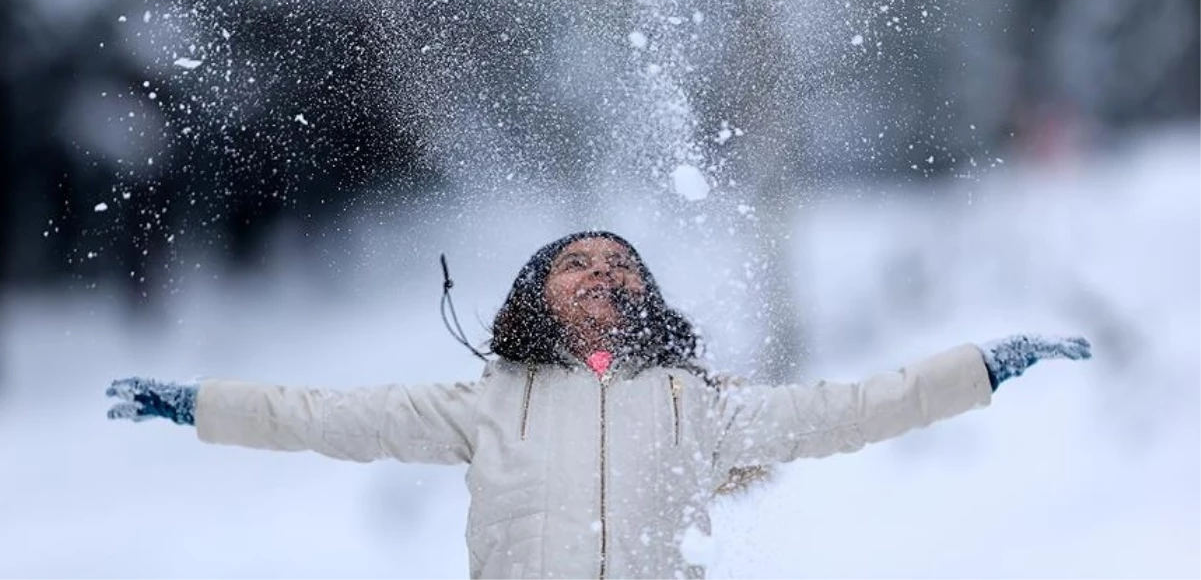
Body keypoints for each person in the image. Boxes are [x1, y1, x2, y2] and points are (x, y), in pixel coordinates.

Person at [106, 230, 1092, 579]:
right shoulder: (485, 404)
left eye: (621, 265)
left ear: (645, 297)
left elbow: (852, 408)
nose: (600, 273)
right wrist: (198, 404)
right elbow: (322, 415)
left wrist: (982, 367)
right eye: (575, 262)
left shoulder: (695, 407)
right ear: (535, 294)